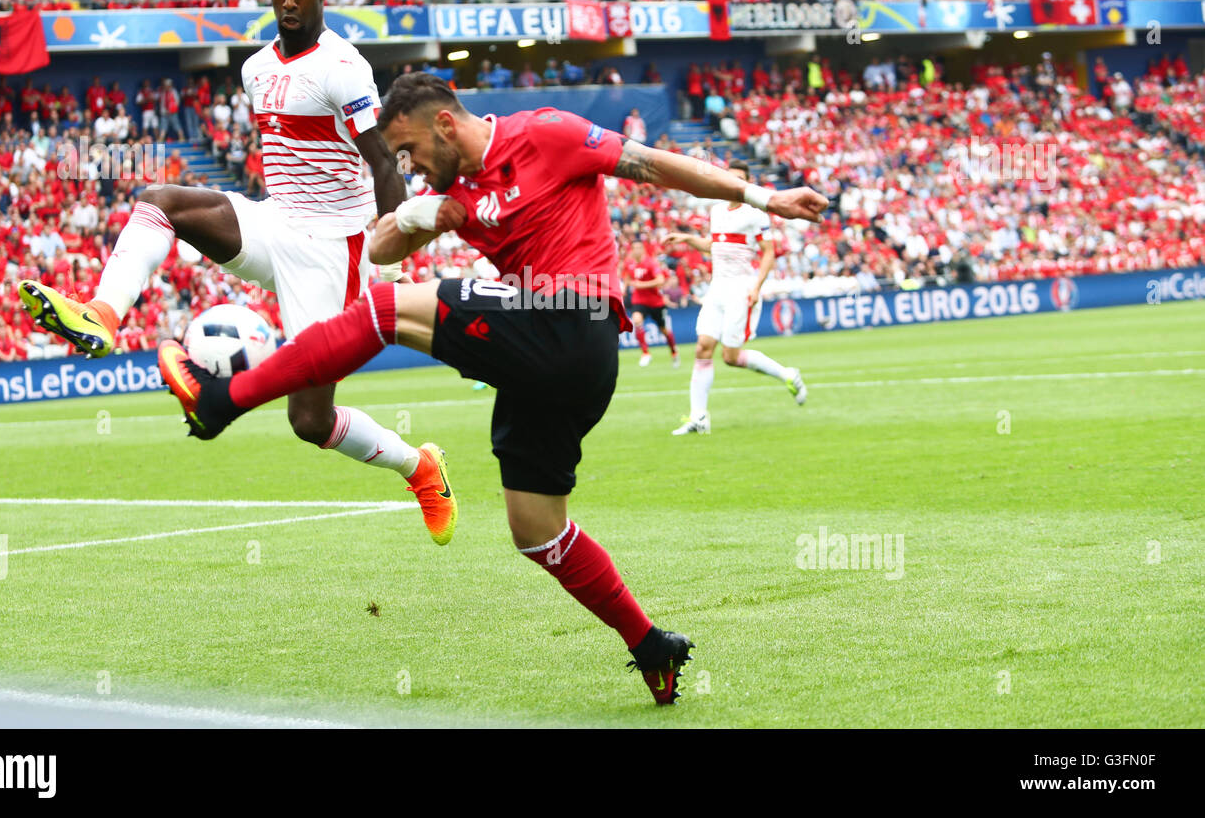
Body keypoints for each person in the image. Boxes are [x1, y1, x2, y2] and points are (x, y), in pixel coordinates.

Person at [155, 72, 828, 702]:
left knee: (386, 312)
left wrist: (764, 197)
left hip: (577, 319)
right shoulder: (460, 197)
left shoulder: (547, 134)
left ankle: (224, 401)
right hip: (554, 369)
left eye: (408, 150)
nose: (405, 167)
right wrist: (421, 215)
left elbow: (654, 165)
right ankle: (650, 644)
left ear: (445, 124)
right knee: (536, 532)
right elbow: (384, 247)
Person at [15, 0, 457, 546]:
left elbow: (382, 162)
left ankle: (420, 467)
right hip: (276, 221)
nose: (290, 1)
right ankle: (102, 314)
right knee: (159, 203)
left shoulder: (343, 66)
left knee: (309, 421)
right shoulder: (255, 67)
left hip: (334, 250)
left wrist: (395, 248)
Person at [666, 161, 807, 435]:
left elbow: (768, 252)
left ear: (746, 183)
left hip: (740, 289)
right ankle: (699, 418)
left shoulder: (755, 214)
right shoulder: (717, 211)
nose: (732, 183)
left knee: (731, 356)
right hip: (717, 288)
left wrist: (756, 286)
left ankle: (787, 374)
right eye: (729, 178)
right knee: (702, 348)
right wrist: (686, 238)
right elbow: (713, 245)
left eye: (739, 179)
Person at [624, 239, 678, 367]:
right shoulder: (629, 263)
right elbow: (627, 276)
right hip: (639, 300)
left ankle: (674, 352)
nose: (636, 250)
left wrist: (641, 285)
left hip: (655, 302)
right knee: (636, 320)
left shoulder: (651, 263)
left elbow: (660, 280)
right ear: (632, 250)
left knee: (664, 330)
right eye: (634, 248)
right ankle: (645, 353)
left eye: (639, 248)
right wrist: (624, 289)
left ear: (643, 249)